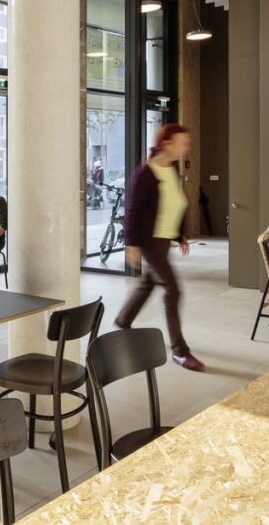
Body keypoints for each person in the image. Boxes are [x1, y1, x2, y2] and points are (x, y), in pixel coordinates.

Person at [116, 124, 205, 372]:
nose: (185, 148)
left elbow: (172, 205)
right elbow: (132, 210)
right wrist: (132, 244)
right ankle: (180, 351)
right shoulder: (146, 172)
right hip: (150, 241)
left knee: (148, 283)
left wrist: (179, 234)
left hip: (164, 239)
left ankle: (123, 320)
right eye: (182, 143)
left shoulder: (171, 170)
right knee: (173, 290)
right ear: (166, 143)